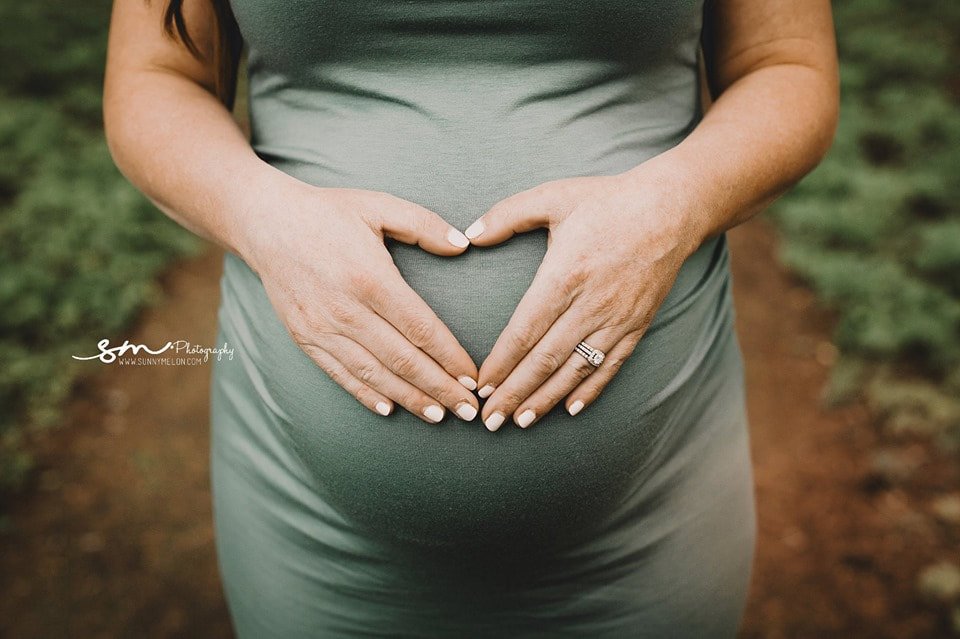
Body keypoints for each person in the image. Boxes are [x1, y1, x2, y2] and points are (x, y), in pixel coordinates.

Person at [103, 1, 838, 636]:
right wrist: (263, 218)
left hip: (655, 516)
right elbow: (155, 76)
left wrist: (673, 206)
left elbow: (787, 65)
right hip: (311, 529)